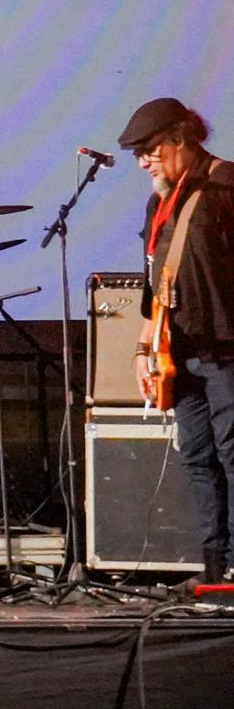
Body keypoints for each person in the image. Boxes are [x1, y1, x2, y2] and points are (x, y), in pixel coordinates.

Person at [120, 97, 234, 585]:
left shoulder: (226, 185)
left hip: (225, 348)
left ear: (180, 137)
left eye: (149, 150)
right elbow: (157, 287)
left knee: (233, 453)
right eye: (137, 154)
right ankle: (216, 568)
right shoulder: (159, 201)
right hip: (178, 351)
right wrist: (143, 348)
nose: (143, 162)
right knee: (198, 457)